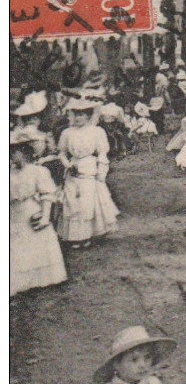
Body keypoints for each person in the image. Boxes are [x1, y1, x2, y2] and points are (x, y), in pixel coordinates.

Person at [56, 97, 121, 249]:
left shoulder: (96, 131)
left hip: (89, 168)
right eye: (76, 114)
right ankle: (74, 237)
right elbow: (62, 153)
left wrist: (101, 172)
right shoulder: (67, 133)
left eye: (82, 114)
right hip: (73, 170)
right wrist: (68, 164)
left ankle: (88, 235)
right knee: (72, 202)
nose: (78, 118)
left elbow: (102, 154)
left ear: (88, 115)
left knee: (87, 202)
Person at [10, 134, 68, 295]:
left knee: (38, 244)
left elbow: (47, 195)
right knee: (17, 246)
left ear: (25, 152)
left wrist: (44, 216)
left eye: (15, 152)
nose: (12, 156)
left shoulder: (38, 171)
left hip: (32, 210)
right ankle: (20, 280)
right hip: (15, 213)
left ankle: (42, 278)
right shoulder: (10, 173)